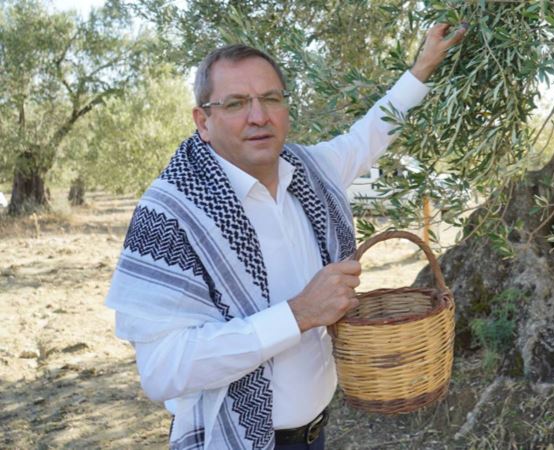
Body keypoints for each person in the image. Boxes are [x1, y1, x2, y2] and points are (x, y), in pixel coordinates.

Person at [105, 22, 466, 450]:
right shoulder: (170, 215)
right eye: (237, 103)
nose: (259, 116)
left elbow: (367, 136)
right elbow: (162, 371)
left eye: (271, 98)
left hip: (316, 434)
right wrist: (297, 314)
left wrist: (422, 67)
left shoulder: (309, 172)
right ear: (203, 120)